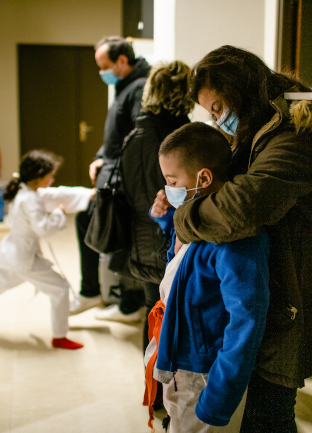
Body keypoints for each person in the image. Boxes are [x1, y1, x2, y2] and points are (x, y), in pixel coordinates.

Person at [171, 46, 312, 432]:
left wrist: (184, 217)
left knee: (268, 415)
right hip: (276, 290)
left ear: (239, 91)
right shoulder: (258, 132)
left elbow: (244, 205)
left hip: (293, 297)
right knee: (265, 411)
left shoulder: (300, 135)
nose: (217, 120)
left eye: (217, 108)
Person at [144, 122, 270, 432]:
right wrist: (165, 222)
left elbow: (246, 321)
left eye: (172, 180)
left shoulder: (235, 239)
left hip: (206, 373)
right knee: (177, 421)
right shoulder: (194, 216)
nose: (167, 188)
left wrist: (219, 396)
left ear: (203, 178)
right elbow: (186, 266)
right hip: (179, 355)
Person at [0, 150, 94, 350]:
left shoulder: (23, 190)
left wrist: (87, 195)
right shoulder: (31, 199)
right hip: (23, 258)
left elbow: (57, 193)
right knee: (59, 289)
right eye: (49, 175)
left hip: (10, 253)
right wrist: (59, 213)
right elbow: (42, 228)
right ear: (38, 177)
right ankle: (59, 336)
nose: (52, 179)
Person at [70, 36, 151, 321]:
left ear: (122, 61)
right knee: (104, 229)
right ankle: (121, 299)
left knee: (94, 224)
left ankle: (102, 295)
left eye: (104, 66)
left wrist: (109, 163)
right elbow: (115, 136)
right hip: (112, 172)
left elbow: (135, 140)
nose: (101, 72)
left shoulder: (139, 88)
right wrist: (99, 157)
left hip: (120, 180)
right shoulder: (125, 86)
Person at [120, 60, 193, 354]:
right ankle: (172, 392)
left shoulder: (132, 138)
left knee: (154, 316)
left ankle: (154, 392)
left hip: (139, 240)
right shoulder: (184, 139)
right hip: (172, 242)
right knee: (178, 319)